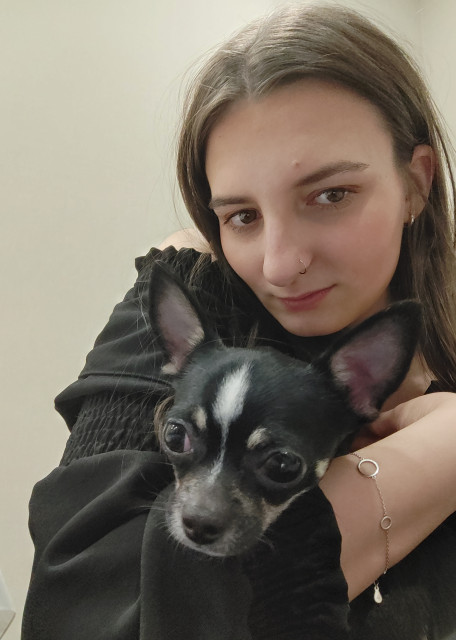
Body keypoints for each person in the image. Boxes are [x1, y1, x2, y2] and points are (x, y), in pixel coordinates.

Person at [22, 4, 456, 639]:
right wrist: (441, 452)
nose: (279, 265)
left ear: (416, 182)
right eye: (241, 216)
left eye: (331, 194)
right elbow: (85, 613)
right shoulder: (194, 295)